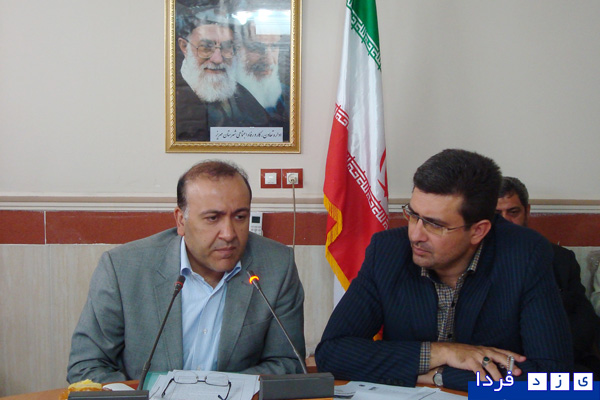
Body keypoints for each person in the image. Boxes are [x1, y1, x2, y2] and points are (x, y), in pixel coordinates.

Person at [315, 149, 572, 392]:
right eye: (413, 215)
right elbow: (332, 353)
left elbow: (555, 377)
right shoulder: (388, 251)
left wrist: (440, 376)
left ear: (478, 231)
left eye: (434, 224)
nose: (415, 235)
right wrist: (441, 353)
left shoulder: (525, 255)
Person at [67, 160, 305, 383]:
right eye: (213, 218)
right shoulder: (122, 268)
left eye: (240, 217)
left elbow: (289, 363)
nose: (229, 233)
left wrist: (217, 391)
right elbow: (86, 366)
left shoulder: (277, 266)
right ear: (181, 220)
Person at [497, 176, 600, 374]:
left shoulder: (560, 259)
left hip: (556, 363)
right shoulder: (469, 262)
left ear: (527, 211)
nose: (505, 221)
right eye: (496, 214)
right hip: (499, 367)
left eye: (513, 212)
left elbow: (583, 323)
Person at [175, 8, 272, 141]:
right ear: (184, 47)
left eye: (226, 48)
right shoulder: (172, 98)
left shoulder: (242, 95)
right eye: (206, 48)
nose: (218, 59)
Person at [235, 20, 290, 140]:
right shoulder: (225, 100)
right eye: (258, 48)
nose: (269, 60)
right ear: (238, 50)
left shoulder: (289, 96)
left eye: (274, 47)